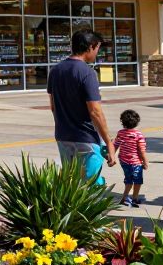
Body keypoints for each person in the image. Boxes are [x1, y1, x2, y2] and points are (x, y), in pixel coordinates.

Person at [46, 30, 116, 184]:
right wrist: (109, 142)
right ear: (90, 47)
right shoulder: (87, 73)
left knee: (72, 186)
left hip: (63, 136)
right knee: (91, 185)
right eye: (97, 48)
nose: (98, 52)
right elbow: (95, 111)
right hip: (86, 138)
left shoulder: (55, 71)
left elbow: (53, 106)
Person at [113, 109, 148, 207]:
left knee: (128, 179)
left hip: (123, 161)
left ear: (122, 122)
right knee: (137, 180)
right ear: (137, 121)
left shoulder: (121, 133)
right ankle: (135, 198)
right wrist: (145, 162)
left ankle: (124, 198)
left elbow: (115, 145)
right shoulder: (138, 135)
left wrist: (111, 156)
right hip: (135, 162)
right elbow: (141, 150)